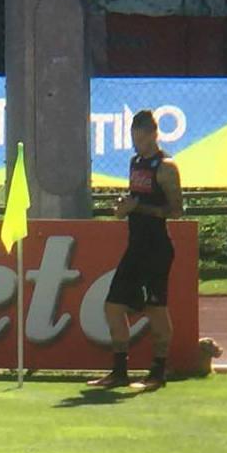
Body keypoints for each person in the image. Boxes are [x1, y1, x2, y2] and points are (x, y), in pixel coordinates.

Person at [87, 109, 184, 391]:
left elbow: (175, 211)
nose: (136, 145)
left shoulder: (166, 167)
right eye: (133, 140)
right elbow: (134, 199)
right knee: (113, 306)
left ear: (154, 135)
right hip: (136, 247)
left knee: (155, 309)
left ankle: (158, 372)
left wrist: (139, 207)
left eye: (141, 140)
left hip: (157, 248)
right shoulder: (135, 163)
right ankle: (120, 371)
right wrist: (123, 207)